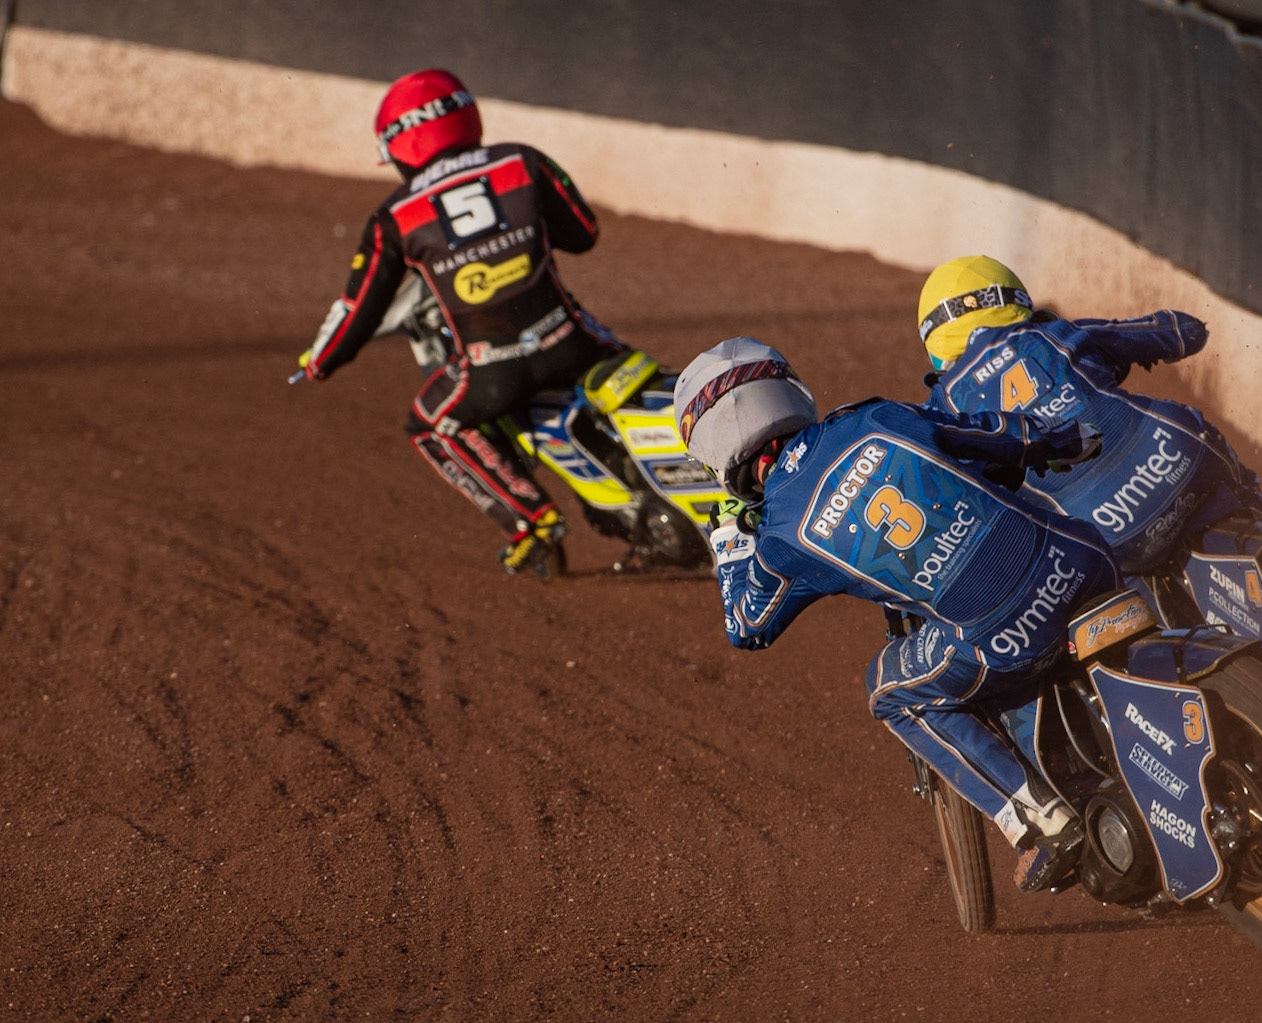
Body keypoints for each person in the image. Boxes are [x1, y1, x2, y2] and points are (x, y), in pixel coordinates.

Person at [676, 336, 1122, 892]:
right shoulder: (873, 417)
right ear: (785, 389)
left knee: (888, 688)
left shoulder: (778, 542)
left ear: (715, 449)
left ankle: (1041, 821)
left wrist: (727, 538)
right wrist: (1066, 439)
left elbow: (746, 628)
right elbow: (994, 433)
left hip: (1005, 636)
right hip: (1086, 560)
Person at [296, 68, 630, 575]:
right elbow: (583, 233)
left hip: (491, 370)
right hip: (573, 341)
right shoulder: (522, 159)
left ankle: (532, 520)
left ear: (400, 145)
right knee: (637, 374)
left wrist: (319, 362)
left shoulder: (395, 215)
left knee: (429, 423)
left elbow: (357, 310)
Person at [916, 255, 1262, 573]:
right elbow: (1184, 333)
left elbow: (937, 511)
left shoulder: (943, 408)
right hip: (1176, 459)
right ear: (1016, 298)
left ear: (934, 340)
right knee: (1216, 456)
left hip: (1101, 533)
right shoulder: (1058, 333)